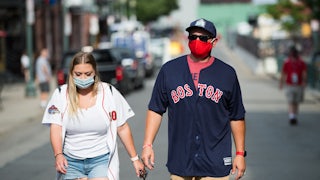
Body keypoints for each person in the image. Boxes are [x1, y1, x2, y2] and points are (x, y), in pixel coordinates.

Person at [141, 18, 246, 180]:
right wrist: (147, 145)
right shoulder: (170, 70)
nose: (197, 41)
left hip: (215, 162)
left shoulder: (227, 73)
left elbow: (236, 116)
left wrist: (240, 153)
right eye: (193, 37)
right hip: (181, 161)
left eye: (203, 38)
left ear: (214, 41)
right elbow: (156, 109)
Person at [41, 52, 146, 180]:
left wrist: (135, 159)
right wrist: (58, 155)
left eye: (88, 74)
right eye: (78, 74)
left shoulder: (109, 93)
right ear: (71, 74)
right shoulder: (60, 94)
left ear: (95, 72)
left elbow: (122, 128)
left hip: (100, 160)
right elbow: (56, 127)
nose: (83, 78)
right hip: (71, 162)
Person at [279, 45, 307, 125]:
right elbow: (284, 73)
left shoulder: (301, 62)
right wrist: (281, 83)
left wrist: (304, 82)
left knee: (295, 102)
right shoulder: (288, 62)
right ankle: (292, 116)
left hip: (297, 84)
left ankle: (293, 115)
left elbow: (304, 73)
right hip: (291, 84)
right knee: (292, 101)